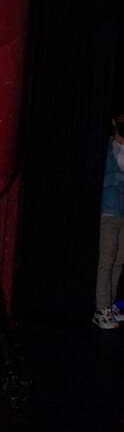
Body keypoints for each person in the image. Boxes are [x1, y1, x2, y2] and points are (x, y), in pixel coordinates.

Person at [93, 109, 124, 330]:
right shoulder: (106, 147)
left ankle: (110, 305)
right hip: (109, 210)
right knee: (106, 260)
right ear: (114, 121)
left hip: (123, 212)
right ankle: (101, 309)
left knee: (119, 260)